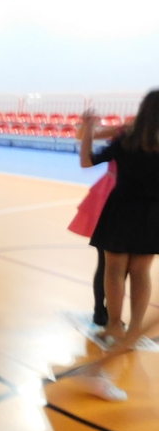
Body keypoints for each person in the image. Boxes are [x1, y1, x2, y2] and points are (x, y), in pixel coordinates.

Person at [78, 90, 159, 399]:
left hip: (121, 209)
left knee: (114, 269)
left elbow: (87, 161)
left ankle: (114, 326)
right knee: (141, 270)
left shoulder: (126, 139)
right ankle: (135, 328)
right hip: (153, 215)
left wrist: (88, 130)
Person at [69, 123, 130, 326]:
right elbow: (83, 136)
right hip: (115, 192)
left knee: (116, 262)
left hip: (126, 192)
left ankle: (107, 311)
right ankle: (101, 311)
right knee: (110, 261)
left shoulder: (132, 130)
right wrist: (88, 127)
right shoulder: (127, 129)